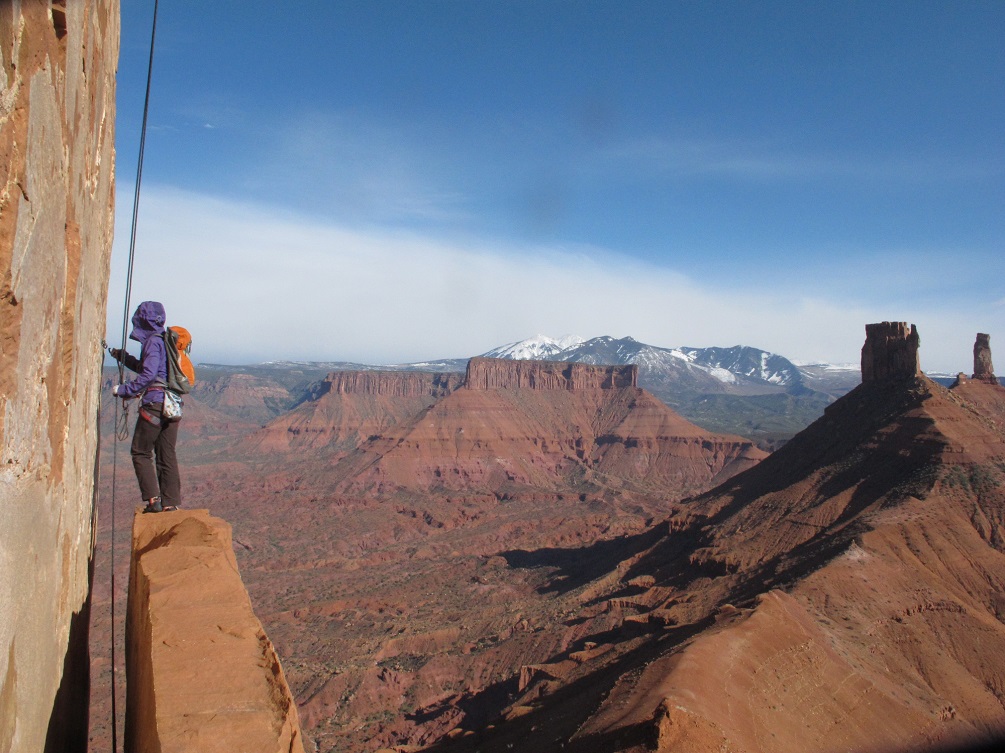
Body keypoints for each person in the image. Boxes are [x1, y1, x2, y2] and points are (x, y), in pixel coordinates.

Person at [109, 300, 181, 513]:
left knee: (140, 452)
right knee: (166, 453)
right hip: (172, 405)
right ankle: (170, 503)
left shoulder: (152, 341)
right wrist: (124, 358)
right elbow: (149, 368)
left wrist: (123, 390)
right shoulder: (165, 341)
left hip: (155, 404)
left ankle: (153, 500)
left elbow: (149, 374)